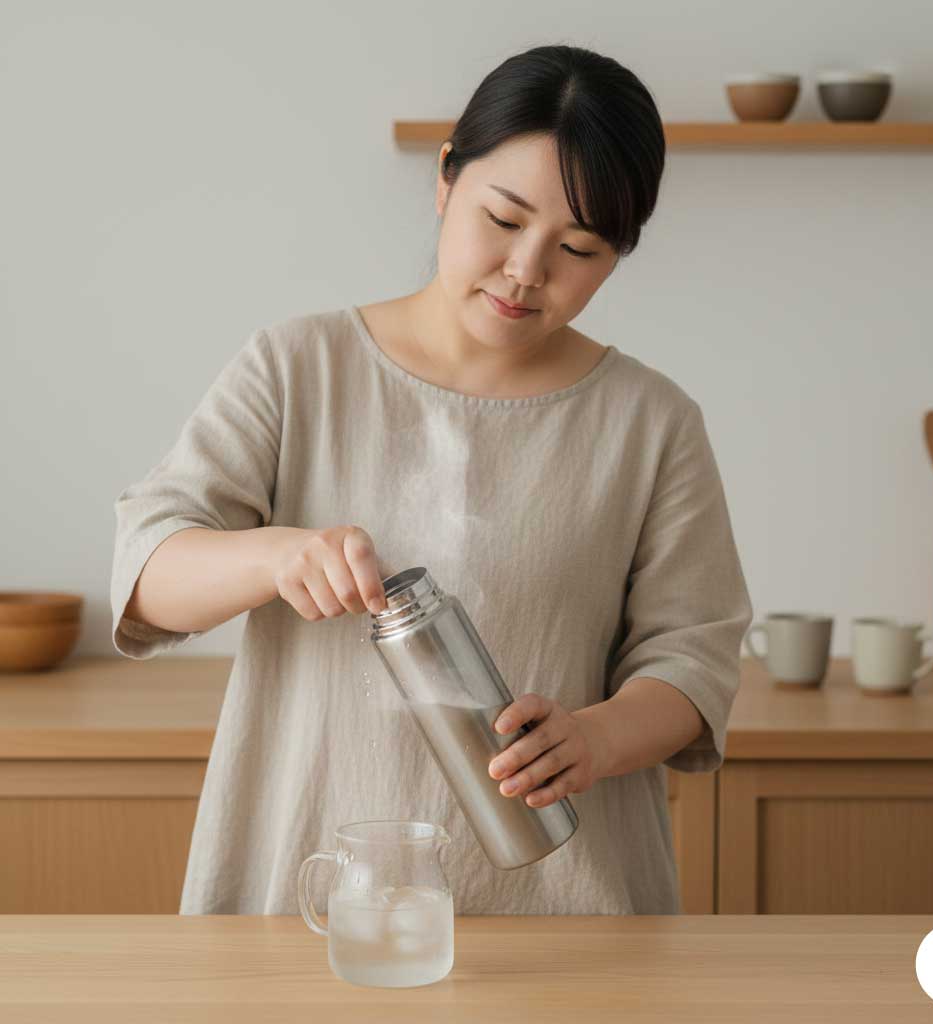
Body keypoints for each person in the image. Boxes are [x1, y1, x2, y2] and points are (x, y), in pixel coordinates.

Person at [110, 43, 753, 916]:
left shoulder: (650, 422)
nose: (528, 271)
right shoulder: (299, 368)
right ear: (447, 177)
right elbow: (148, 578)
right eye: (502, 218)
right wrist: (274, 557)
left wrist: (596, 738)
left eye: (577, 247)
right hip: (311, 893)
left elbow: (696, 659)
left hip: (568, 912)